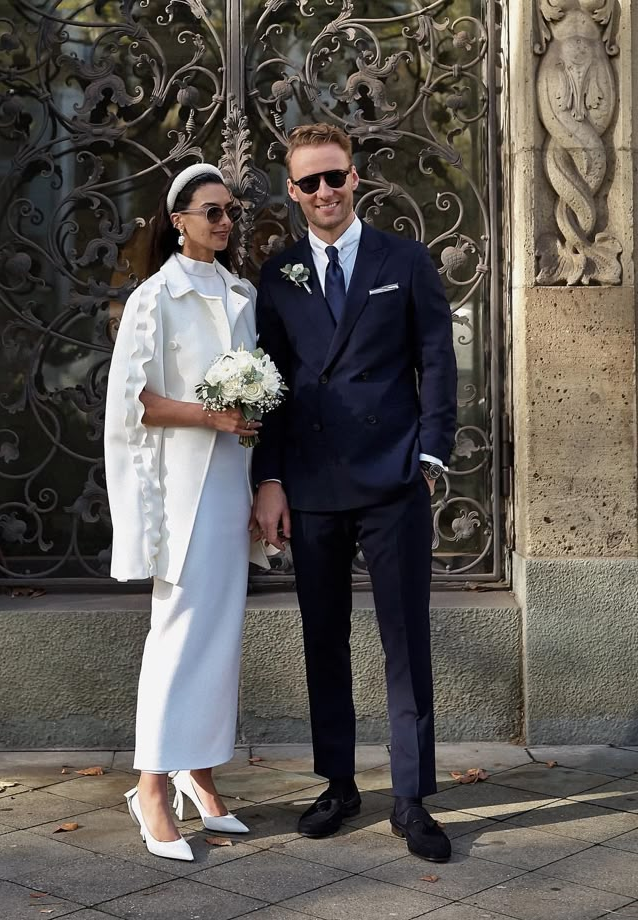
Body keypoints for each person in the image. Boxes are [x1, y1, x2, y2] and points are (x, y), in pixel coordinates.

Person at [251, 123, 458, 863]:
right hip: (310, 484)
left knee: (405, 640)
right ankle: (338, 784)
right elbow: (269, 388)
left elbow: (436, 358)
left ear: (355, 177)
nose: (324, 191)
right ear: (293, 191)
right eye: (309, 182)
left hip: (392, 476)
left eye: (334, 176)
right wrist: (269, 478)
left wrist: (431, 451)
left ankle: (412, 797)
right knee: (322, 639)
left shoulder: (402, 259)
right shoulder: (278, 276)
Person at [104, 163, 268, 862]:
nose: (225, 222)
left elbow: (252, 391)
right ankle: (149, 786)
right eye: (211, 211)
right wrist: (214, 416)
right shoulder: (154, 297)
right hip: (180, 484)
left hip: (231, 480)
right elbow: (137, 399)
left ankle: (199, 774)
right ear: (178, 219)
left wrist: (250, 431)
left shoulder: (241, 292)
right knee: (177, 630)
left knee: (221, 631)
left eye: (230, 211)